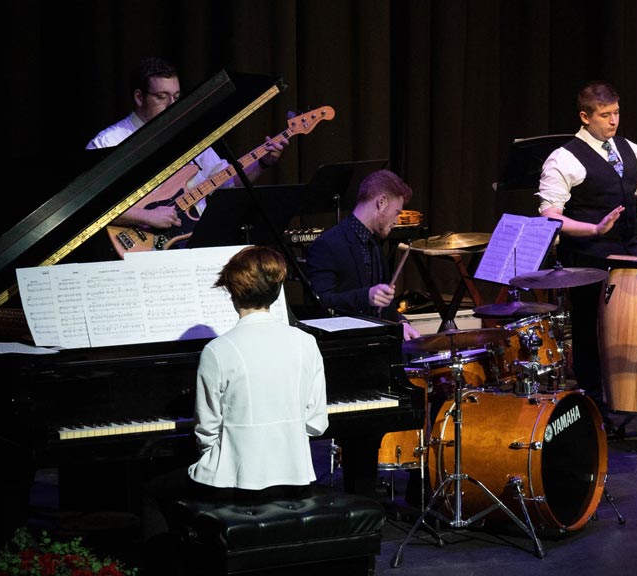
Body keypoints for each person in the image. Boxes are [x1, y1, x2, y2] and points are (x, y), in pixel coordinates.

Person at [145, 246, 325, 536]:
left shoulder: (217, 350)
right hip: (295, 478)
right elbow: (316, 424)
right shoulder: (307, 342)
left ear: (233, 293)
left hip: (232, 483)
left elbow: (206, 430)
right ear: (277, 291)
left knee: (153, 493)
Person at [536, 81, 637, 401]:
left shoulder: (631, 150)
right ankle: (595, 405)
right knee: (591, 332)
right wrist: (593, 229)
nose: (613, 121)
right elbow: (549, 215)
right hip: (589, 257)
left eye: (616, 113)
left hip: (630, 252)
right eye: (604, 115)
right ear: (585, 117)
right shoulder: (564, 158)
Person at [87, 57, 283, 231]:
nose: (172, 105)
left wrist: (262, 163)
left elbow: (226, 183)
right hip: (140, 248)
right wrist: (147, 216)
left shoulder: (191, 137)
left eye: (176, 97)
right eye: (161, 97)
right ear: (139, 97)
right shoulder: (109, 141)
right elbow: (90, 206)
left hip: (192, 241)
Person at [304, 168, 422, 339]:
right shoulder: (327, 244)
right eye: (396, 212)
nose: (396, 221)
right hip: (346, 347)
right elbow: (320, 302)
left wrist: (400, 322)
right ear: (381, 202)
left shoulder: (374, 244)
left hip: (377, 344)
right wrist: (365, 296)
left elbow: (382, 304)